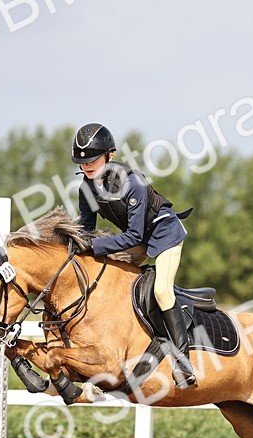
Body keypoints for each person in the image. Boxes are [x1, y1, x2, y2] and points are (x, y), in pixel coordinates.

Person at [72, 122, 197, 388]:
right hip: (135, 238)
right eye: (82, 162)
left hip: (164, 236)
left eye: (93, 159)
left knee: (162, 291)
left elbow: (134, 237)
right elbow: (87, 230)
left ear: (110, 155)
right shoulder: (86, 189)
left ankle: (183, 362)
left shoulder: (132, 183)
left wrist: (94, 247)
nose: (87, 166)